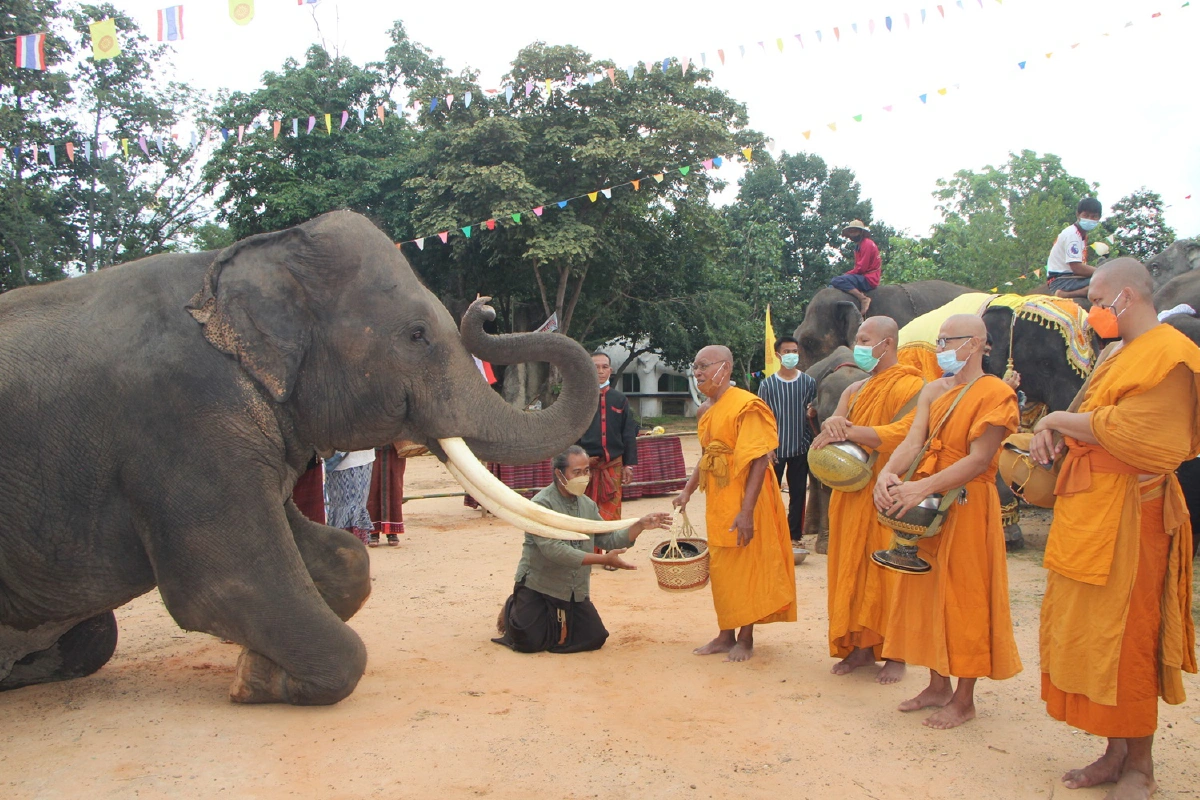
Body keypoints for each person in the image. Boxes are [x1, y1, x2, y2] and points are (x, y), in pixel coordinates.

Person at [1031, 258, 1199, 800]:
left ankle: (1141, 768)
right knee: (1094, 637)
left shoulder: (1173, 355)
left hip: (1135, 514)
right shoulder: (1114, 354)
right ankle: (1114, 752)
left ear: (1127, 296)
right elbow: (1084, 414)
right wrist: (1048, 427)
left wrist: (1059, 422)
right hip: (1090, 510)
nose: (1092, 310)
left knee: (1129, 638)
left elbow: (1145, 438)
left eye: (1099, 300)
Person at [873, 314, 1022, 729]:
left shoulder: (995, 393)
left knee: (965, 596)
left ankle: (964, 698)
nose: (939, 349)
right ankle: (938, 684)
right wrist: (889, 474)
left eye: (946, 341)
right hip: (926, 506)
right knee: (925, 589)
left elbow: (978, 460)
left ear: (974, 344)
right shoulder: (932, 390)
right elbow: (913, 441)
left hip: (968, 505)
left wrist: (921, 489)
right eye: (938, 341)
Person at [808, 316, 924, 684]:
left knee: (886, 573)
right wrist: (831, 427)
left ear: (886, 344)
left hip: (887, 491)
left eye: (863, 338)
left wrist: (849, 430)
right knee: (850, 569)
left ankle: (895, 653)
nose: (857, 345)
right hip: (850, 491)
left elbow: (905, 435)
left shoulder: (915, 386)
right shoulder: (853, 390)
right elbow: (833, 427)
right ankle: (859, 648)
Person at [674, 345, 796, 662]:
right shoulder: (705, 410)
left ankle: (746, 637)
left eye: (703, 366)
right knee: (723, 566)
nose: (698, 373)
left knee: (747, 563)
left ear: (724, 368)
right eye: (695, 366)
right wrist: (687, 490)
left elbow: (758, 459)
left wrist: (746, 511)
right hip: (718, 494)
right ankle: (725, 634)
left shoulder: (747, 405)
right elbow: (706, 456)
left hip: (748, 494)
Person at [492, 446, 670, 653]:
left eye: (587, 471)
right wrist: (602, 560)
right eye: (577, 472)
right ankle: (513, 605)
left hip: (573, 588)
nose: (584, 477)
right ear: (559, 474)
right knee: (529, 642)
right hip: (539, 584)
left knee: (595, 638)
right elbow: (554, 550)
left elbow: (608, 538)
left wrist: (639, 525)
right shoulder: (540, 505)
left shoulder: (587, 505)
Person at [756, 336, 817, 544]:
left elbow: (812, 412)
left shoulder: (809, 382)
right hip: (776, 448)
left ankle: (794, 535)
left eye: (794, 351)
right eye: (787, 351)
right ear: (777, 354)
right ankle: (772, 531)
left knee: (798, 493)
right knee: (771, 492)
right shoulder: (767, 385)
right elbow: (762, 417)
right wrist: (767, 447)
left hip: (801, 446)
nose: (791, 355)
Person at [578, 353, 639, 521]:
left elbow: (628, 433)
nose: (600, 371)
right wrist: (579, 460)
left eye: (604, 367)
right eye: (595, 367)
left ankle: (612, 547)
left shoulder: (620, 399)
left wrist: (629, 465)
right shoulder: (579, 400)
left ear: (610, 370)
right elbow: (572, 434)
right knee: (585, 513)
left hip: (613, 466)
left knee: (611, 516)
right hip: (586, 466)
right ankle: (589, 548)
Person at [1047, 198, 1103, 300]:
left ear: (1099, 218)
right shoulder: (1072, 235)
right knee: (1105, 281)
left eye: (1094, 217)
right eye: (1086, 215)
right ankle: (1067, 294)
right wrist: (1103, 271)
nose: (1089, 219)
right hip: (1061, 280)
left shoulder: (1081, 235)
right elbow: (1077, 268)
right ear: (1078, 215)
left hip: (1070, 278)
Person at [324, 449, 377, 545]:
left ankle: (351, 546)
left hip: (359, 457)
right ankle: (343, 545)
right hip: (335, 460)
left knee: (355, 506)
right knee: (339, 506)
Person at [831, 220, 881, 314]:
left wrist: (847, 274)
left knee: (836, 280)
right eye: (851, 232)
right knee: (832, 285)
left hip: (869, 278)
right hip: (863, 276)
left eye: (855, 231)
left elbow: (861, 268)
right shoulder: (858, 246)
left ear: (861, 232)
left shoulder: (867, 244)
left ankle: (863, 299)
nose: (853, 234)